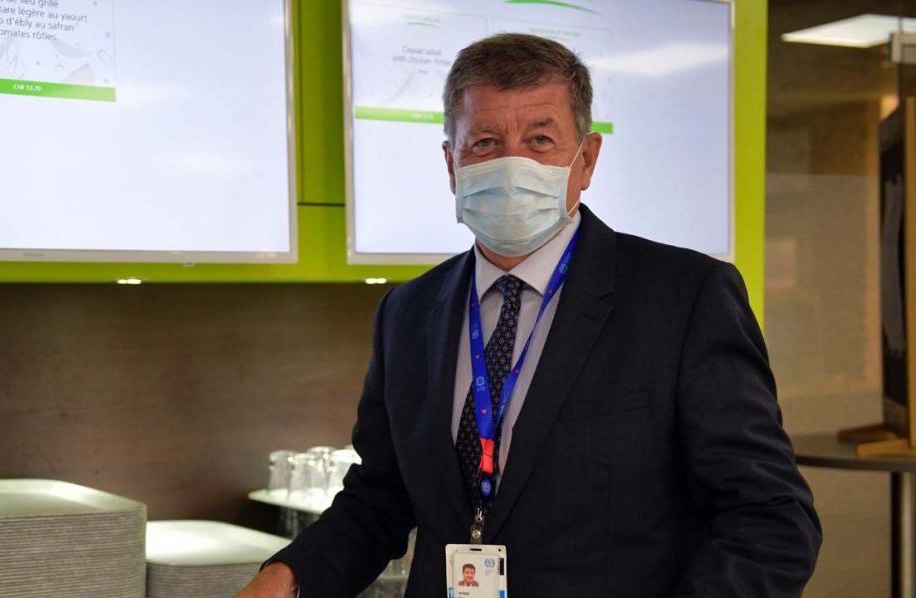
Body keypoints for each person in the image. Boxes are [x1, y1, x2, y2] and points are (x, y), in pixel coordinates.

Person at [238, 33, 821, 597]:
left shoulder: (684, 297)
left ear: (586, 160)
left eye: (540, 140)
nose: (512, 165)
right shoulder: (408, 313)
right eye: (485, 142)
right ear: (451, 163)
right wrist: (284, 580)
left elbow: (769, 517)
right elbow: (380, 498)